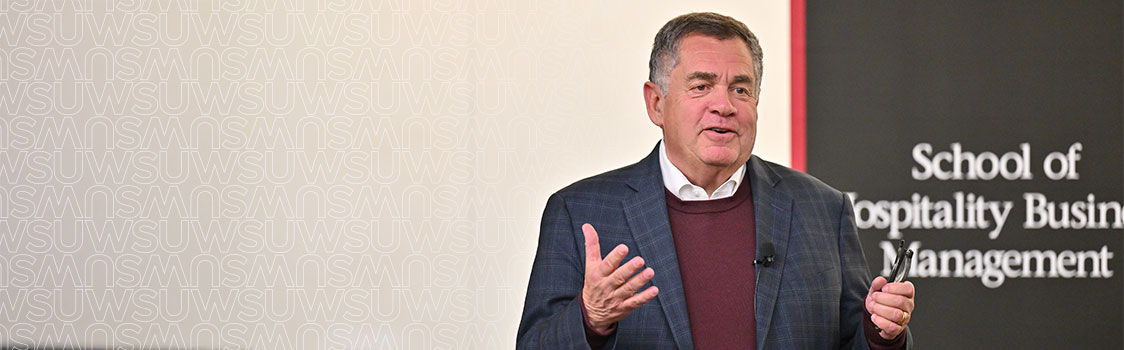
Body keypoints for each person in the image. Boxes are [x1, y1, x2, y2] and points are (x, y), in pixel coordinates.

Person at [517, 12, 915, 349]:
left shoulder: (823, 209)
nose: (723, 105)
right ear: (656, 103)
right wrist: (591, 318)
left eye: (740, 89)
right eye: (701, 86)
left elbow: (856, 340)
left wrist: (881, 332)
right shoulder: (581, 211)